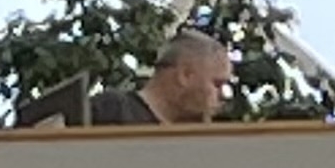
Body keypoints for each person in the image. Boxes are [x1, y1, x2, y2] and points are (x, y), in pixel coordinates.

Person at [90, 30, 233, 127]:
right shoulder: (110, 110)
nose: (222, 95)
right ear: (185, 75)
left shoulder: (192, 138)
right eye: (217, 84)